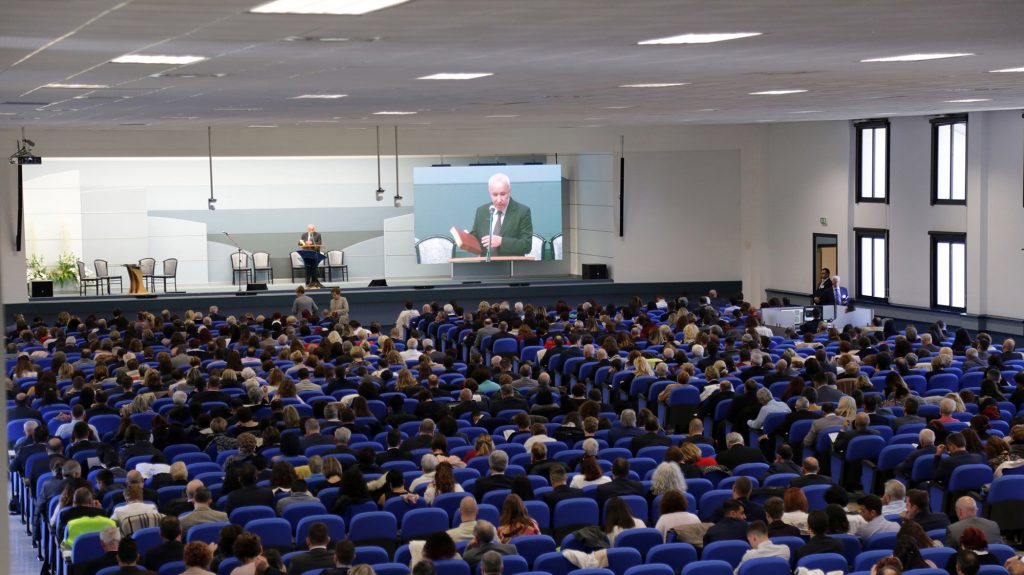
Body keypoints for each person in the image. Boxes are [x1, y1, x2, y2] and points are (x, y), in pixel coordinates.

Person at [469, 173, 533, 257]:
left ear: (509, 191)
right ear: (489, 192)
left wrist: (501, 242)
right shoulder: (482, 211)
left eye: (503, 194)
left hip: (511, 264)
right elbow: (476, 237)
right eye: (495, 195)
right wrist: (466, 239)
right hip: (485, 263)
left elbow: (527, 245)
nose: (499, 200)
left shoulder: (522, 212)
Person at [298, 223, 323, 288]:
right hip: (306, 254)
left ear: (314, 229)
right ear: (308, 229)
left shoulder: (318, 235)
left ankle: (314, 283)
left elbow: (319, 244)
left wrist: (311, 243)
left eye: (312, 229)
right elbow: (300, 244)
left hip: (315, 254)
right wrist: (304, 243)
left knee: (314, 269)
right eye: (310, 229)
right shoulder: (304, 235)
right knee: (307, 269)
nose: (311, 230)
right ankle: (307, 283)